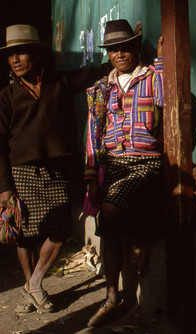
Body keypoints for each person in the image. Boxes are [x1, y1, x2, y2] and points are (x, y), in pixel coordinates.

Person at [0, 24, 112, 314]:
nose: (15, 60)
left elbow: (91, 75)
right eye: (11, 55)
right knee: (24, 233)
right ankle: (31, 290)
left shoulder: (59, 84)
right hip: (21, 171)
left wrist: (115, 54)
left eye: (21, 53)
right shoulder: (6, 97)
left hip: (58, 170)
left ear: (36, 55)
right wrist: (4, 187)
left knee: (60, 229)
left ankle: (34, 283)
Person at [85, 19, 164, 327]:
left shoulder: (152, 77)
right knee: (107, 224)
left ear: (135, 47)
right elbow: (93, 135)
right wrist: (91, 177)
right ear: (108, 55)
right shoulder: (100, 89)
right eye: (113, 49)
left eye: (126, 47)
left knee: (110, 208)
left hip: (146, 163)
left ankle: (136, 241)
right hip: (112, 164)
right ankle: (111, 297)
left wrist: (160, 62)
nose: (120, 53)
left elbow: (167, 101)